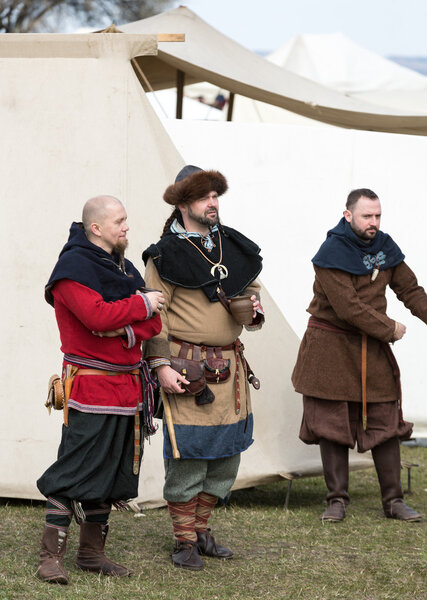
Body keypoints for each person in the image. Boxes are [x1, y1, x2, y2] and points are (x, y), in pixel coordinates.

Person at [36, 195, 164, 584]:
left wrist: (121, 324)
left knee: (111, 472)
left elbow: (155, 323)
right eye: (119, 221)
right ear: (96, 228)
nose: (127, 227)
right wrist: (140, 306)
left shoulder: (123, 267)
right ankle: (49, 558)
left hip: (127, 389)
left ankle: (91, 553)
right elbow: (93, 316)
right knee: (73, 469)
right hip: (89, 388)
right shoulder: (72, 268)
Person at [142, 165, 265, 570]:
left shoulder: (230, 245)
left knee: (227, 453)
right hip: (187, 368)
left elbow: (248, 292)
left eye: (215, 195)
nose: (212, 202)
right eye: (203, 196)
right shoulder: (164, 254)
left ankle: (202, 530)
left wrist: (251, 307)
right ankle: (184, 540)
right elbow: (153, 316)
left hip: (231, 366)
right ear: (182, 204)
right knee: (189, 454)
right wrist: (160, 366)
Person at [292, 188, 427, 523]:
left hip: (371, 345)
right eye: (367, 216)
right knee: (332, 424)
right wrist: (390, 329)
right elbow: (348, 307)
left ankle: (394, 501)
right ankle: (336, 500)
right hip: (331, 347)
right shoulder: (330, 252)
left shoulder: (385, 246)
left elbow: (410, 289)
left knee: (385, 419)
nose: (374, 222)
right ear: (348, 215)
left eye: (378, 215)